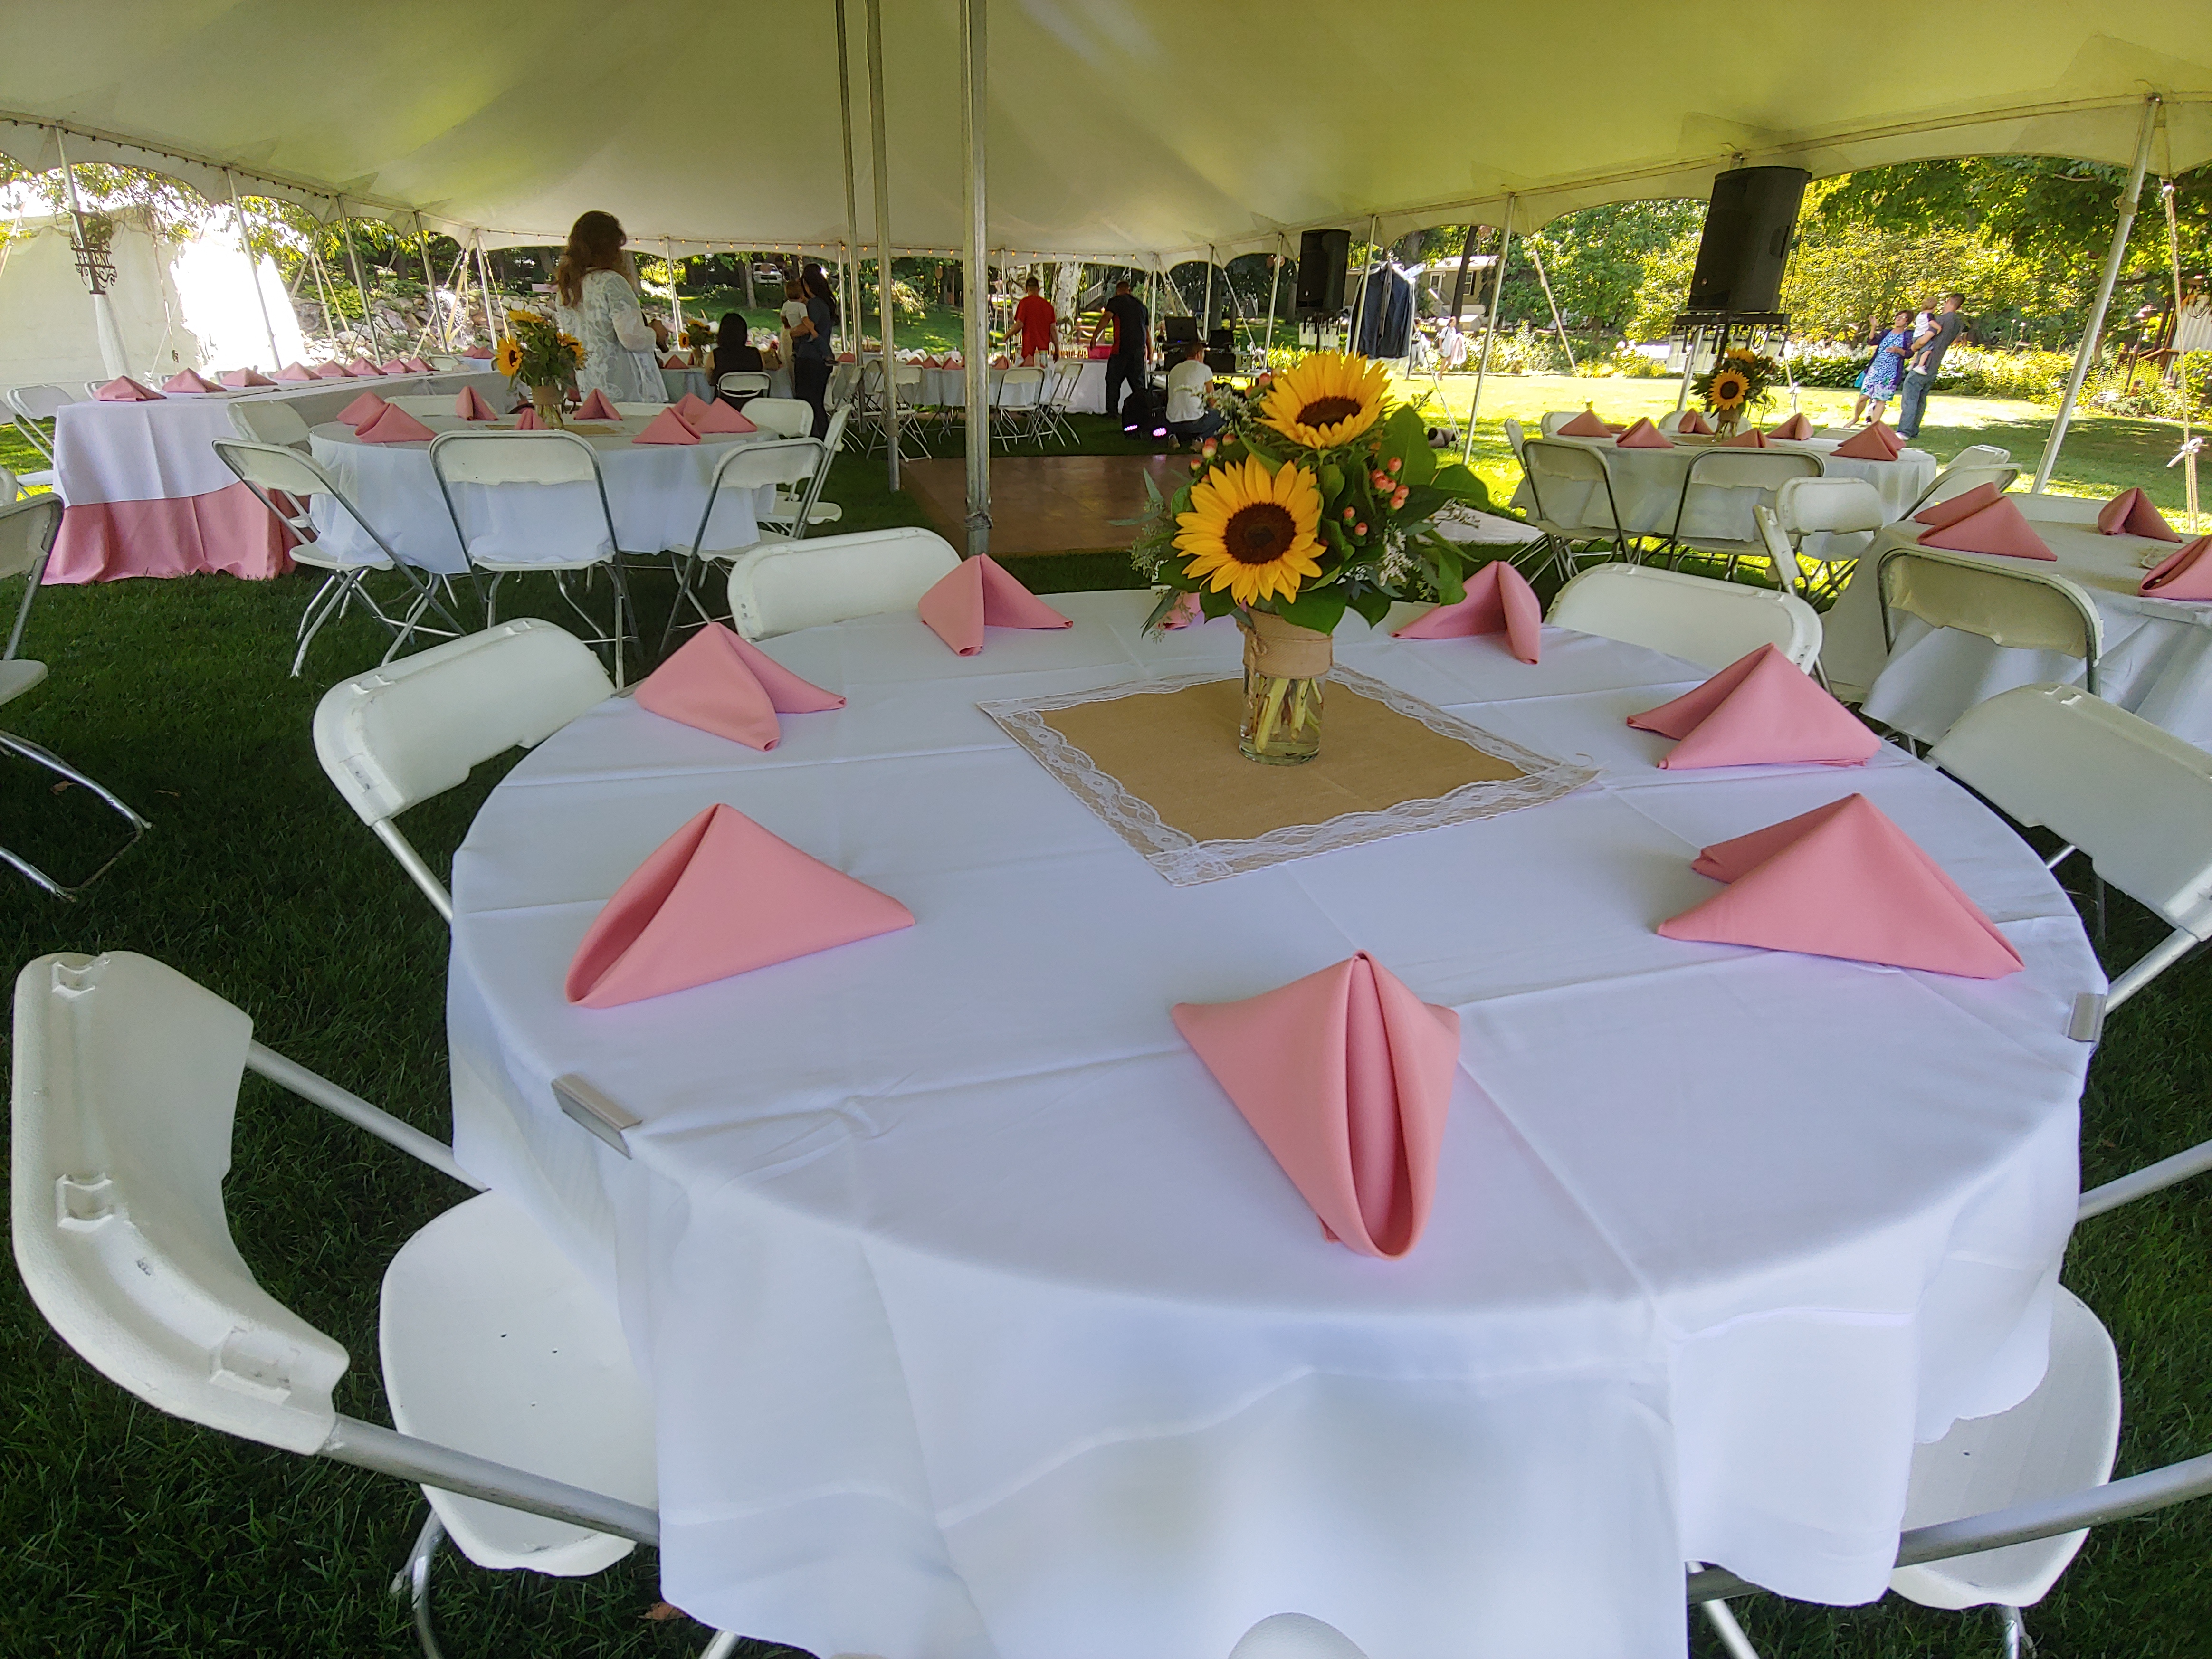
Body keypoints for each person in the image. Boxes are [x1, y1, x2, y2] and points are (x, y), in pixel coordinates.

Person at [552, 210, 670, 406]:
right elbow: (632, 338)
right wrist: (656, 334)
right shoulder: (611, 281)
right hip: (625, 386)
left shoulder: (567, 290)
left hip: (591, 385)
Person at [1897, 292, 1967, 440]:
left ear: (1948, 302)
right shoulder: (1958, 323)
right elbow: (1954, 341)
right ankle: (1913, 430)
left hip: (1924, 362)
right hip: (1936, 363)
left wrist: (1915, 347)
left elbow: (1924, 340)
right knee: (1921, 398)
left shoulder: (1940, 320)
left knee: (1911, 394)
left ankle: (1904, 431)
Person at [1089, 277, 1151, 428]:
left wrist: (1095, 336)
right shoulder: (1141, 306)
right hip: (1138, 349)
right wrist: (1150, 350)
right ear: (1129, 291)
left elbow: (1106, 318)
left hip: (1121, 348)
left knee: (1113, 380)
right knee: (1138, 384)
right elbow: (1147, 332)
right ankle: (1143, 412)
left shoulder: (1116, 302)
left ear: (1118, 291)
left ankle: (1112, 412)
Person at [790, 265, 839, 439]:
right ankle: (821, 436)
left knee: (809, 401)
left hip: (811, 358)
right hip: (819, 358)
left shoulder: (816, 304)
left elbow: (806, 328)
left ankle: (817, 436)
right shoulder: (823, 303)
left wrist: (793, 332)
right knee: (815, 401)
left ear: (807, 284)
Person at [1852, 310, 1913, 424]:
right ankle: (1855, 419)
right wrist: (1874, 327)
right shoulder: (1887, 332)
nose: (1898, 319)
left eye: (1902, 317)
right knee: (1863, 397)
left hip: (1890, 373)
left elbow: (1910, 353)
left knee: (1881, 400)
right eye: (1897, 317)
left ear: (1907, 321)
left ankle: (1874, 426)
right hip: (1875, 370)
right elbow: (1871, 341)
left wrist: (1898, 350)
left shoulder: (1908, 336)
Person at [1163, 342, 1220, 449]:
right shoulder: (1205, 369)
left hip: (1173, 422)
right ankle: (1201, 440)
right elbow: (1213, 400)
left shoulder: (1174, 370)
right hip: (1194, 423)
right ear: (1199, 354)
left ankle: (1172, 436)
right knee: (1222, 415)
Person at [711, 312, 765, 399]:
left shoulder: (716, 355)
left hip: (724, 405)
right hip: (754, 405)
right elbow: (762, 371)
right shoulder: (756, 353)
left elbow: (710, 381)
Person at [1013, 276, 1058, 364]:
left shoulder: (1024, 304)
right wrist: (1057, 349)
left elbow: (1019, 324)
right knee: (1044, 376)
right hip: (1043, 354)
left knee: (1028, 376)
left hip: (1028, 354)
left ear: (1026, 289)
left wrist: (1007, 336)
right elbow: (1053, 330)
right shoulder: (1048, 306)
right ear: (1038, 289)